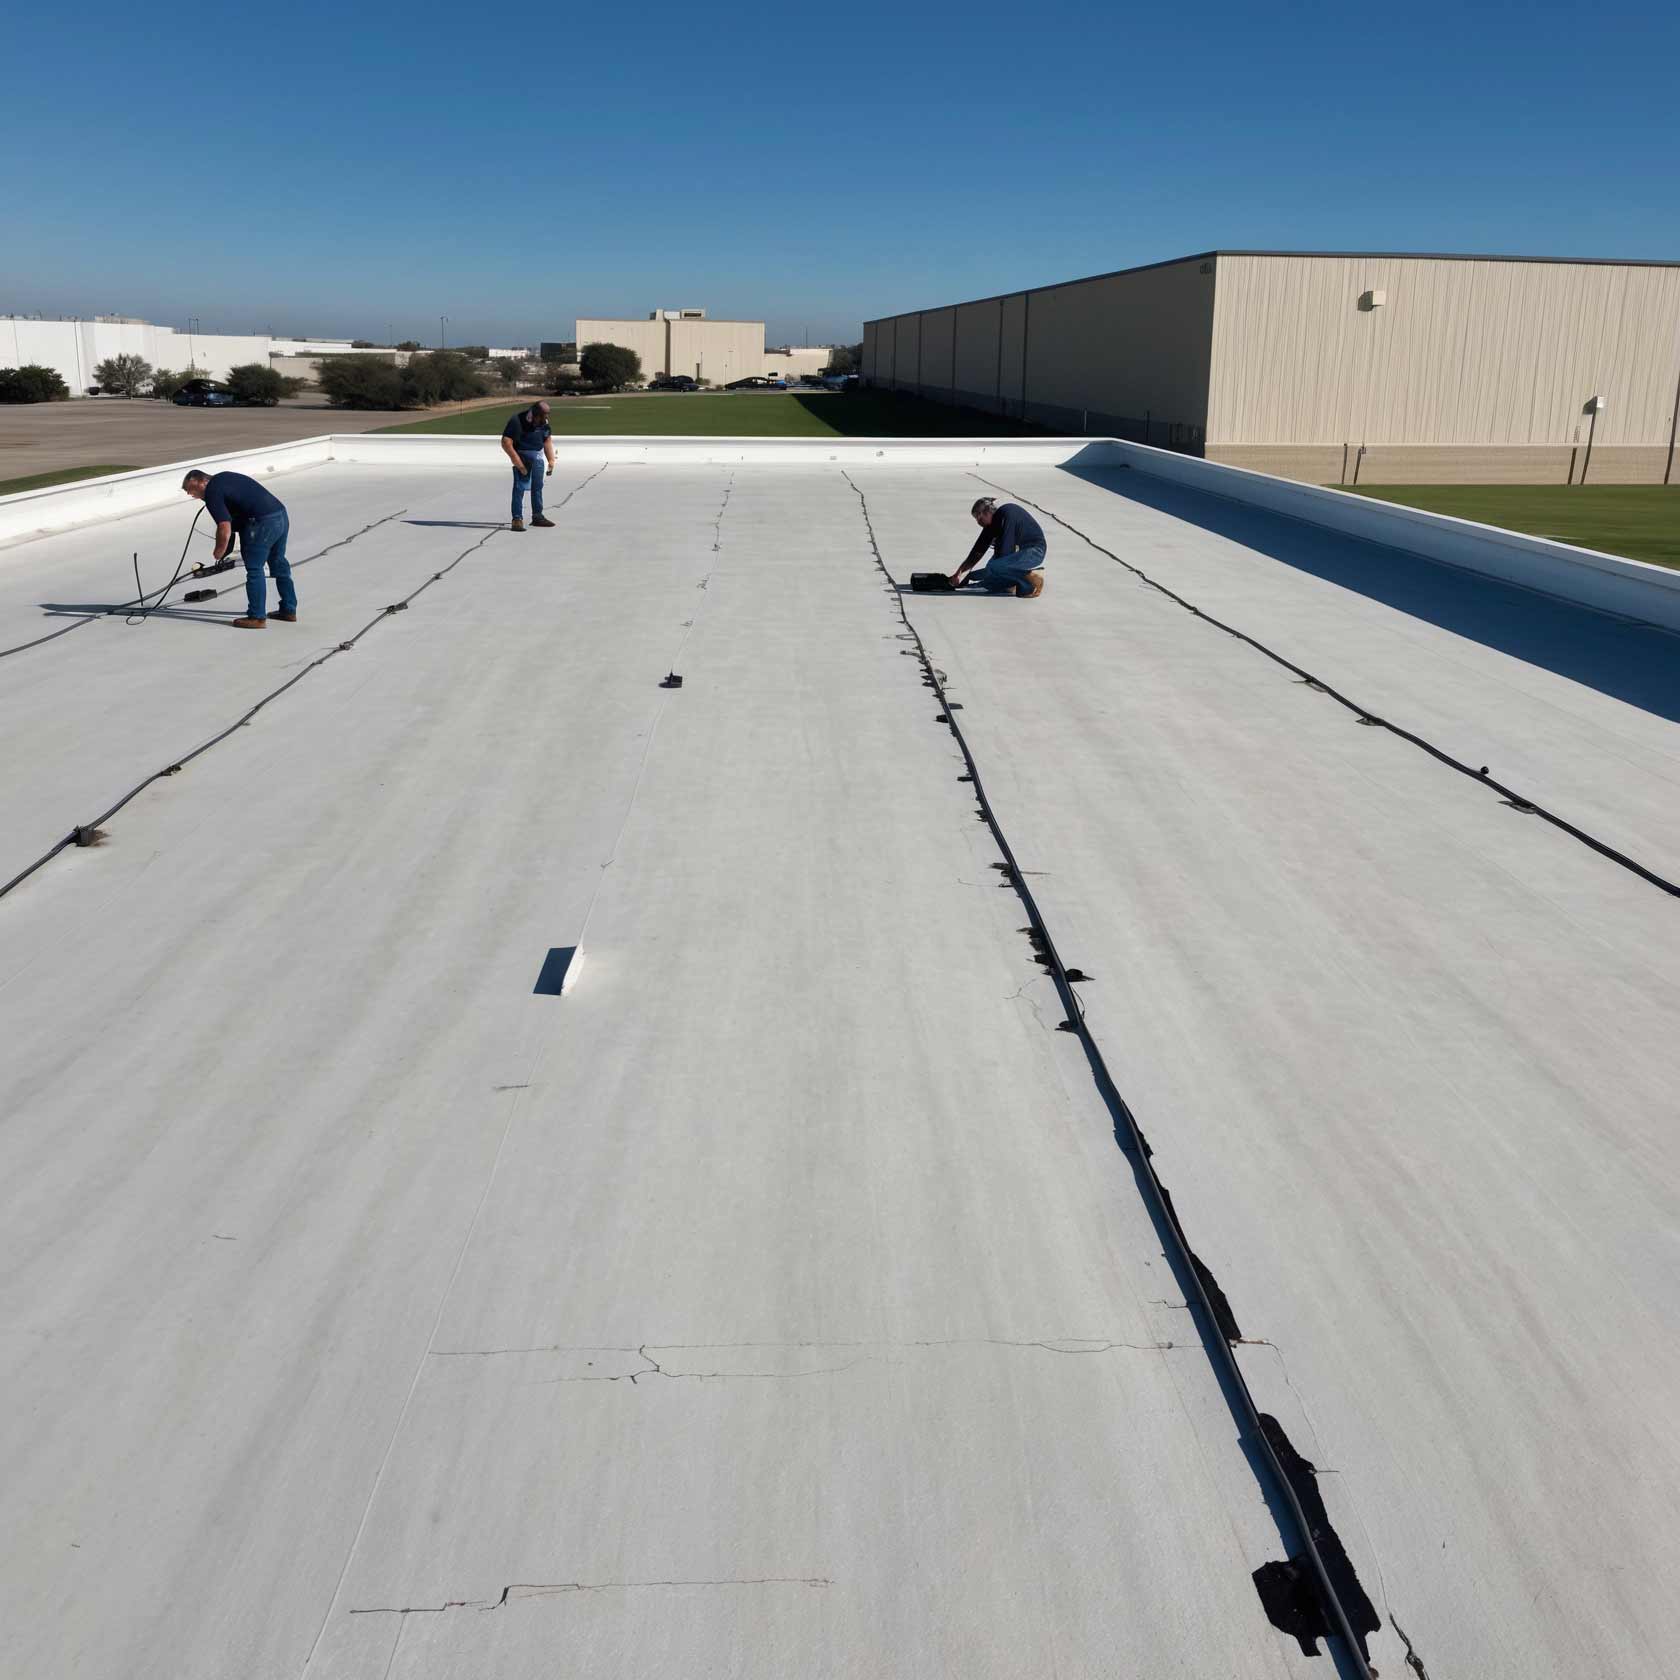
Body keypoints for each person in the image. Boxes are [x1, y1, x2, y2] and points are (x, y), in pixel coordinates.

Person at [181, 469, 295, 629]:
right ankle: (289, 610)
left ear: (202, 481)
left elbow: (224, 528)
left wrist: (218, 552)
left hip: (262, 524)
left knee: (255, 569)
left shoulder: (212, 491)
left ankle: (257, 617)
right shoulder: (224, 478)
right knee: (279, 562)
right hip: (280, 515)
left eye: (191, 489)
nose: (191, 494)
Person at [951, 497, 1047, 597]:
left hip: (1034, 551)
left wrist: (977, 575)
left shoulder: (1006, 515)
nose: (978, 523)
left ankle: (1031, 582)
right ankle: (1015, 581)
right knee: (991, 581)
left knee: (994, 567)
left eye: (978, 518)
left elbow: (1004, 555)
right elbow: (977, 552)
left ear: (987, 512)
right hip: (1019, 553)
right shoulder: (993, 523)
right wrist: (961, 574)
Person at [501, 401, 556, 530]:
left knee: (537, 487)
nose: (545, 419)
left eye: (546, 416)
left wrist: (551, 460)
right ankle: (517, 519)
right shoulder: (517, 421)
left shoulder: (544, 423)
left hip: (537, 457)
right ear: (535, 413)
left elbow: (547, 440)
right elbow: (506, 442)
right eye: (543, 416)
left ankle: (537, 516)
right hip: (522, 457)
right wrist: (519, 464)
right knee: (519, 488)